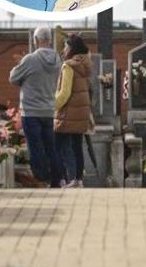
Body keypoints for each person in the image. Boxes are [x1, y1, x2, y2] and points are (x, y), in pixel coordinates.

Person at [9, 27, 62, 188]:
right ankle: (56, 179)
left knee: (35, 147)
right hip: (49, 110)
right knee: (51, 147)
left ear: (36, 40)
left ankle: (41, 179)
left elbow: (13, 78)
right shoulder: (57, 60)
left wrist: (19, 64)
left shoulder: (30, 59)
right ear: (50, 40)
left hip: (31, 111)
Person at [54, 33, 92, 187]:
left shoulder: (68, 66)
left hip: (69, 112)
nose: (63, 49)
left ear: (71, 48)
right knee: (77, 145)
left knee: (60, 144)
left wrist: (53, 106)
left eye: (65, 46)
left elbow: (65, 92)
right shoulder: (84, 64)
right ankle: (78, 179)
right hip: (81, 112)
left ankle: (67, 178)